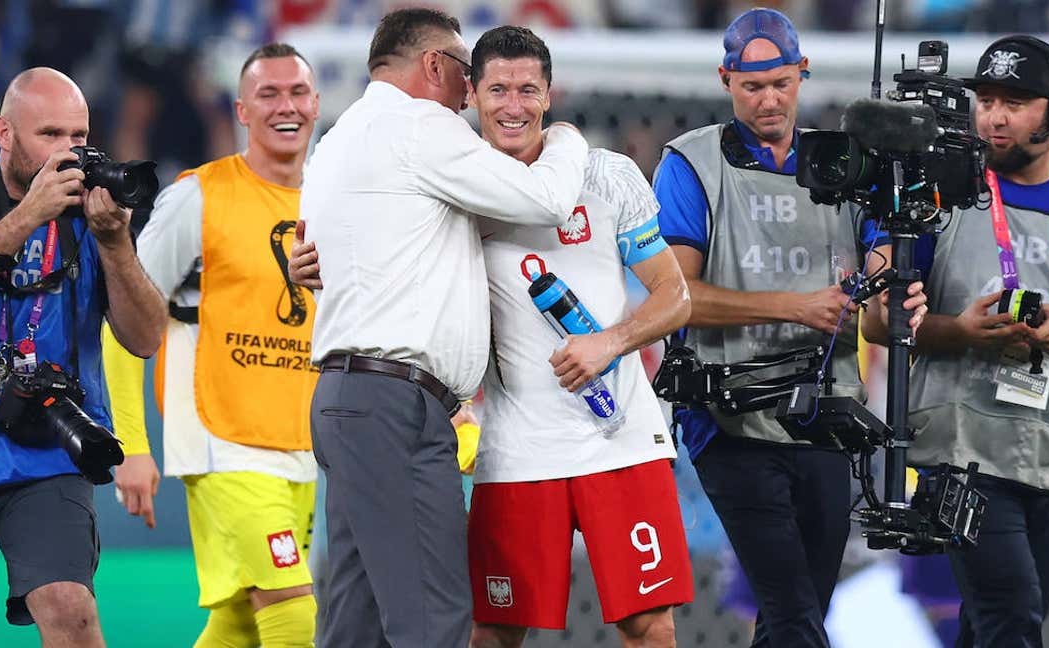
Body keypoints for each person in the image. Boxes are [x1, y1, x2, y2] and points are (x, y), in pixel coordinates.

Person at [298, 8, 589, 647]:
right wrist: (568, 138)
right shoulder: (421, 125)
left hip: (349, 402)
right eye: (465, 70)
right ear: (434, 66)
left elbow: (328, 255)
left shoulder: (338, 138)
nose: (469, 89)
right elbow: (544, 200)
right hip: (396, 408)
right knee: (433, 623)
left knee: (356, 624)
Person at [652, 8, 925, 647]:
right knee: (796, 613)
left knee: (792, 618)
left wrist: (895, 296)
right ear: (725, 80)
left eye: (781, 83)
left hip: (825, 417)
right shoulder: (692, 163)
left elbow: (881, 308)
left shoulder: (850, 168)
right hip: (728, 416)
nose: (769, 99)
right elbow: (677, 295)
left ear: (803, 73)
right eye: (752, 87)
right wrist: (795, 306)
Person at [867, 35, 1049, 647]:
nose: (995, 116)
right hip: (963, 453)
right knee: (1012, 622)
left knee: (988, 627)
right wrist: (961, 332)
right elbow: (878, 318)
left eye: (1017, 101)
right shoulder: (930, 191)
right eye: (985, 99)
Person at [450, 27, 693, 647]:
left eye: (527, 89)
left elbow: (675, 294)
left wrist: (609, 342)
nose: (513, 104)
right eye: (498, 88)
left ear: (549, 95)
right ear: (472, 94)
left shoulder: (607, 175)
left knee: (649, 624)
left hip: (621, 443)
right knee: (497, 628)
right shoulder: (451, 191)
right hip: (515, 449)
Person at [0, 67, 165, 648]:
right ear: (4, 133)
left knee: (68, 605)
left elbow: (146, 337)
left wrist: (114, 244)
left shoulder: (94, 213)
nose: (69, 153)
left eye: (79, 137)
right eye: (50, 135)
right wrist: (29, 215)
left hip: (48, 448)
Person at [102, 43, 322, 648]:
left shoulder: (330, 203)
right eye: (269, 94)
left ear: (318, 103)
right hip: (220, 438)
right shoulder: (198, 197)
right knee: (292, 614)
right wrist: (131, 445)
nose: (287, 106)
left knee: (240, 624)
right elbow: (124, 318)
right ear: (242, 111)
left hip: (298, 441)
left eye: (298, 92)